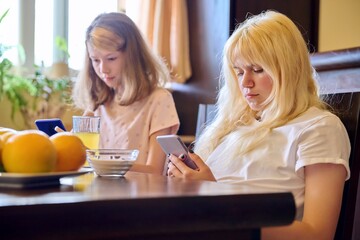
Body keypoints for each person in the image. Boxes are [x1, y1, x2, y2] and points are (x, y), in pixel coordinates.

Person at [167, 10, 350, 239]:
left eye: (257, 69)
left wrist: (215, 200)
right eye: (239, 71)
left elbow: (318, 233)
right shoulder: (231, 127)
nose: (245, 82)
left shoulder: (319, 128)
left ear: (289, 69)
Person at [72, 12, 180, 175]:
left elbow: (154, 172)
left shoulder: (159, 100)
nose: (103, 69)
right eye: (95, 60)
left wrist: (98, 161)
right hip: (100, 194)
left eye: (111, 58)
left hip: (138, 197)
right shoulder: (99, 104)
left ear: (132, 56)